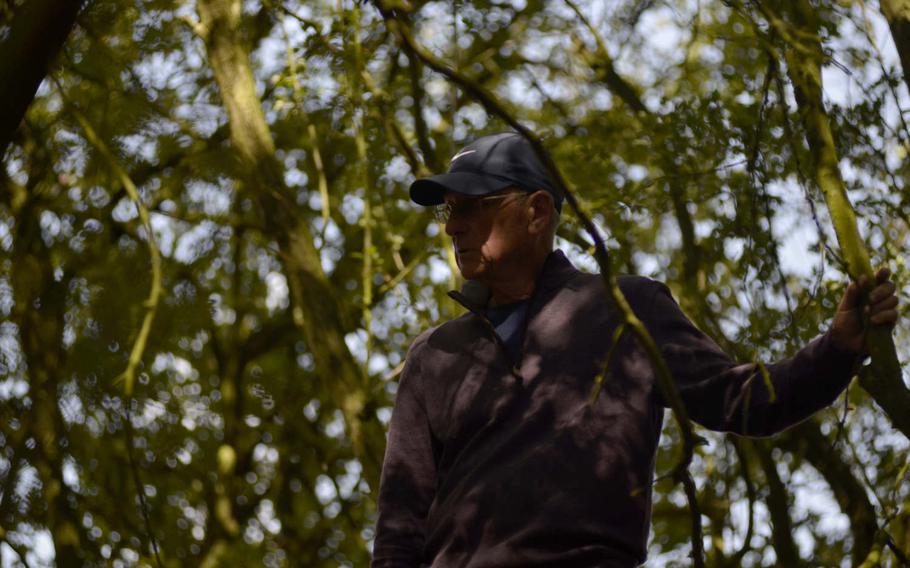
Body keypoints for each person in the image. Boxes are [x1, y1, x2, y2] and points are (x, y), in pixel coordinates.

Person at [371, 132, 900, 567]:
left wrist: (837, 348)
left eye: (474, 206)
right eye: (448, 211)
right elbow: (399, 532)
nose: (454, 225)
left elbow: (748, 400)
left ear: (536, 212)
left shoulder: (627, 310)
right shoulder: (433, 355)